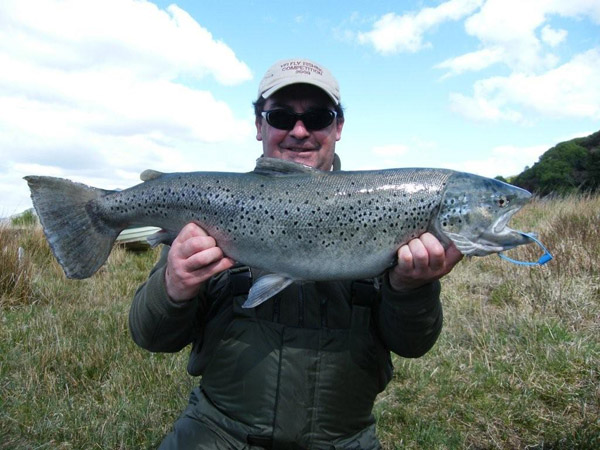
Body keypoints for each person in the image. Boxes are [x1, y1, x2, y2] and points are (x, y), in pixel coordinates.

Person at [129, 58, 463, 449]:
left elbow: (413, 345)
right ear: (260, 126)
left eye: (318, 117)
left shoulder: (389, 215)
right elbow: (150, 336)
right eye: (282, 116)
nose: (300, 131)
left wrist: (412, 289)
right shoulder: (214, 209)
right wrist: (174, 286)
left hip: (343, 441)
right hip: (216, 433)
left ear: (338, 127)